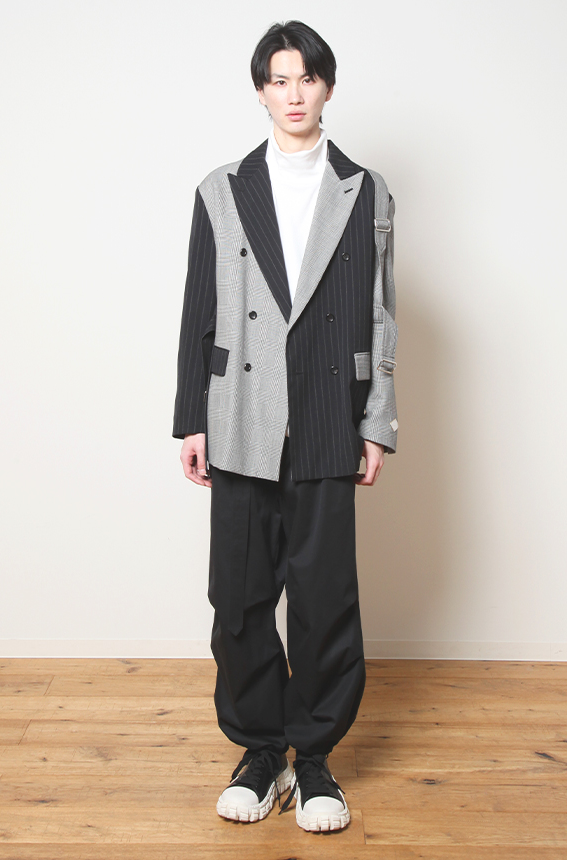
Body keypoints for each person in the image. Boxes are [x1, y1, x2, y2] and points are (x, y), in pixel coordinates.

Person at [173, 20, 398, 833]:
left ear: (327, 87)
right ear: (261, 90)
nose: (294, 93)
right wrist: (190, 419)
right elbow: (199, 308)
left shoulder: (364, 190)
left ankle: (318, 759)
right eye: (279, 79)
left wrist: (377, 420)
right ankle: (261, 751)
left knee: (325, 598)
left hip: (330, 416)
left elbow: (381, 313)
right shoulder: (222, 188)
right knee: (238, 597)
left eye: (307, 78)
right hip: (240, 415)